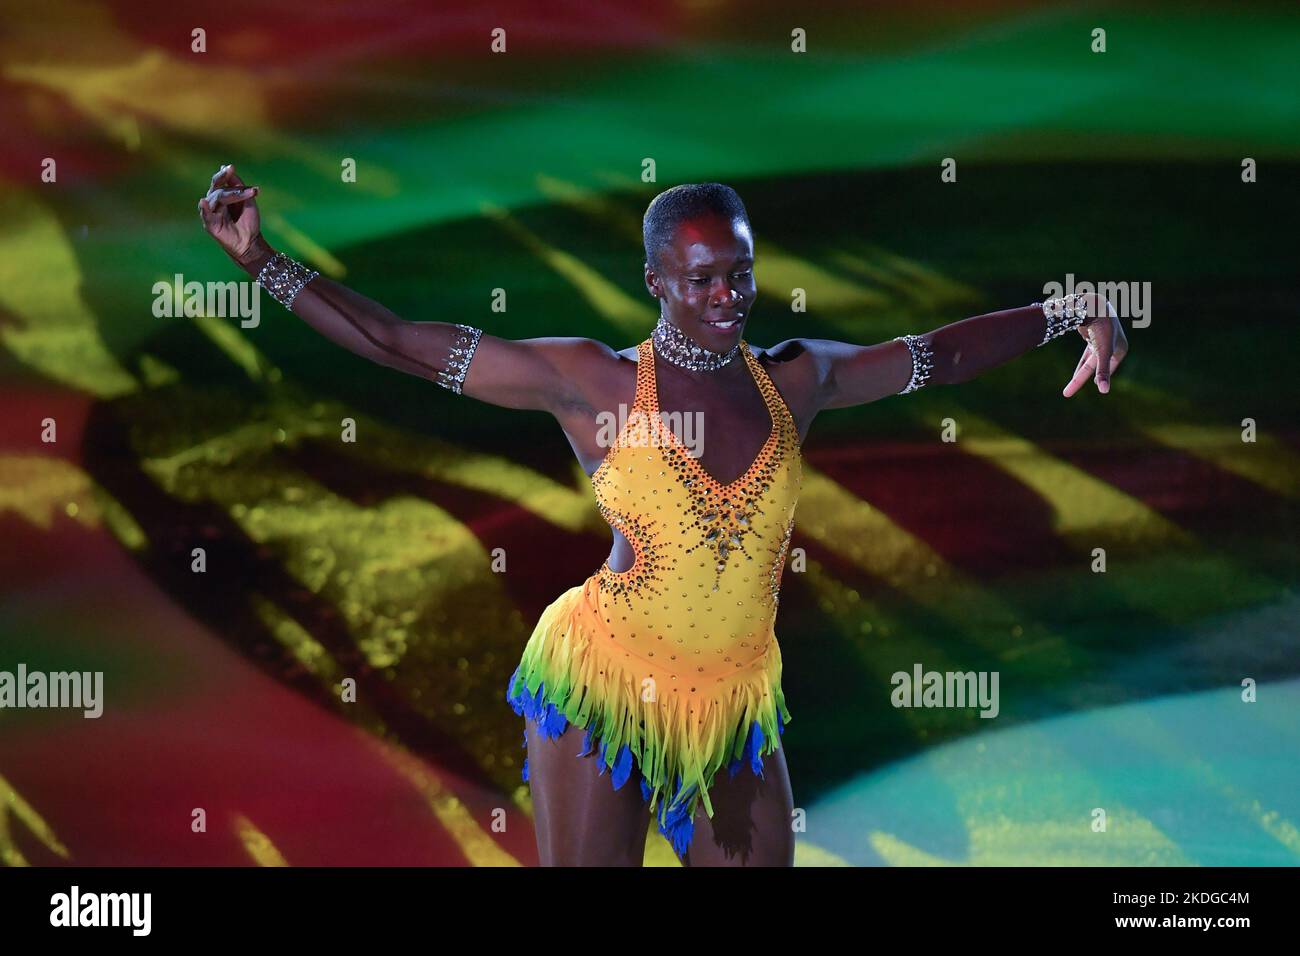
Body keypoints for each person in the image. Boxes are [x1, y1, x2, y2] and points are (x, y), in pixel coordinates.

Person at [198, 165, 1128, 866]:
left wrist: (1067, 310)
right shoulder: (591, 382)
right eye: (700, 281)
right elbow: (397, 343)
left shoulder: (798, 379)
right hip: (606, 683)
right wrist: (262, 261)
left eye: (740, 273)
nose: (726, 298)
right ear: (655, 280)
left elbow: (937, 358)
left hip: (729, 700)